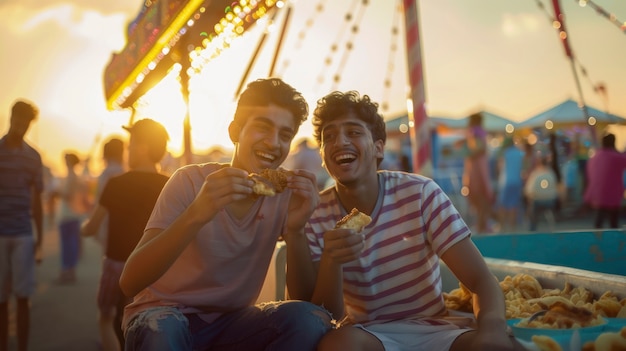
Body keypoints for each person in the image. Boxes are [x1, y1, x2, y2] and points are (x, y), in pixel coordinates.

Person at [289, 91, 525, 351]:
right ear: (322, 156)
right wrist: (331, 262)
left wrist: (491, 329)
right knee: (338, 344)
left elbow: (480, 280)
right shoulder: (314, 213)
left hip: (435, 330)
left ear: (379, 147)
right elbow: (325, 318)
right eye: (329, 136)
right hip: (367, 336)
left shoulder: (421, 194)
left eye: (354, 132)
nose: (340, 141)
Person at [118, 78, 332, 350]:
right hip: (163, 316)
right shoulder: (191, 182)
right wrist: (197, 213)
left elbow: (305, 300)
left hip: (233, 325)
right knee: (161, 329)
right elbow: (130, 282)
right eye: (262, 127)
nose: (273, 142)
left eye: (285, 135)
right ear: (235, 132)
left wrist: (295, 230)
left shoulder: (283, 198)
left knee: (310, 320)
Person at [81, 119, 169, 351]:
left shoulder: (116, 184)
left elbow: (92, 227)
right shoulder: (170, 185)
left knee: (106, 319)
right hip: (154, 271)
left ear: (142, 148)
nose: (127, 151)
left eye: (130, 146)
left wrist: (83, 228)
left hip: (117, 266)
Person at [0, 100, 43, 351]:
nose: (21, 128)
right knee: (1, 301)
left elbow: (37, 199)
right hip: (0, 233)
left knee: (23, 297)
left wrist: (38, 238)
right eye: (18, 122)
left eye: (26, 125)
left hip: (23, 233)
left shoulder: (33, 157)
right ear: (11, 118)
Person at [54, 151, 91, 284]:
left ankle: (67, 273)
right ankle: (69, 272)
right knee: (71, 245)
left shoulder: (71, 177)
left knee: (68, 246)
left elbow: (68, 195)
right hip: (73, 216)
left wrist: (56, 193)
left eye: (66, 158)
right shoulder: (77, 177)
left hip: (67, 216)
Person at [584, 133, 626, 228]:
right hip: (613, 194)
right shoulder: (616, 157)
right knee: (613, 223)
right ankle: (614, 241)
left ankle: (597, 241)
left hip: (598, 194)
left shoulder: (595, 157)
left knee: (599, 222)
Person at [461, 112, 494, 233]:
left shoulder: (472, 132)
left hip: (475, 168)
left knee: (478, 198)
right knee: (482, 198)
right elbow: (480, 149)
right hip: (480, 167)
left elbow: (476, 149)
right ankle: (482, 226)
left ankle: (481, 226)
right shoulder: (478, 132)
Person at [94, 137, 125, 249]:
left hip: (107, 221)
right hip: (122, 223)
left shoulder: (107, 173)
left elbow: (101, 200)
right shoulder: (123, 171)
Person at [495, 137, 524, 232]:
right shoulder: (520, 153)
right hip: (517, 182)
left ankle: (502, 227)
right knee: (513, 206)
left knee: (502, 206)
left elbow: (500, 168)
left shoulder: (504, 153)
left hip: (506, 182)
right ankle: (512, 229)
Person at [524, 155, 559, 232]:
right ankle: (552, 229)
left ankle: (532, 230)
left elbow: (528, 190)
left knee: (532, 209)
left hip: (537, 200)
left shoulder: (535, 174)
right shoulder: (551, 173)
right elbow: (556, 189)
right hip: (551, 201)